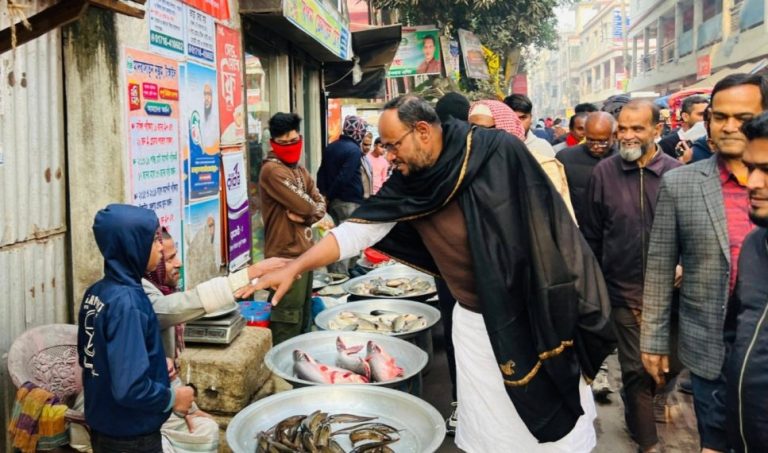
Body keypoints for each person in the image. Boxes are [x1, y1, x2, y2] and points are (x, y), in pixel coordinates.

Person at [255, 95, 614, 452]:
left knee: (554, 429)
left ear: (423, 131)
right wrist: (296, 266)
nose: (388, 155)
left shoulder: (498, 151)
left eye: (394, 145)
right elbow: (358, 231)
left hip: (536, 314)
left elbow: (550, 225)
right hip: (475, 323)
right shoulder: (410, 179)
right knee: (491, 431)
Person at [641, 73, 768, 453]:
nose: (729, 127)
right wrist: (653, 340)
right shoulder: (681, 183)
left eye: (742, 117)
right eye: (719, 116)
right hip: (708, 351)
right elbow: (660, 264)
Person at [582, 100, 682, 453]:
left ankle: (646, 400)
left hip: (672, 297)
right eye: (622, 128)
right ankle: (648, 443)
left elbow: (694, 233)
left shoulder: (677, 174)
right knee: (637, 369)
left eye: (636, 128)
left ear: (657, 130)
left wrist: (684, 263)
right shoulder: (604, 174)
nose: (626, 135)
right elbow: (592, 236)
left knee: (671, 367)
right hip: (622, 293)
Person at [77, 204, 195, 453]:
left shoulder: (97, 292)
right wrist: (173, 398)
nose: (161, 247)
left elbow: (92, 356)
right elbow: (130, 388)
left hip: (104, 426)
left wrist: (153, 362)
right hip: (131, 436)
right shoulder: (128, 304)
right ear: (132, 245)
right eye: (154, 240)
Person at [260, 112, 327, 344]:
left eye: (294, 141)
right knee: (286, 320)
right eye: (284, 143)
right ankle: (282, 376)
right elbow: (306, 204)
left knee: (303, 318)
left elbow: (319, 203)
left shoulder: (299, 170)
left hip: (305, 254)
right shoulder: (272, 170)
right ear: (273, 143)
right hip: (284, 257)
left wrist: (307, 217)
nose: (291, 147)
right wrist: (311, 211)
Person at [722, 112, 768, 452]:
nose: (751, 182)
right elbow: (736, 339)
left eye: (767, 171)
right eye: (750, 167)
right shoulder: (755, 244)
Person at [469, 99, 576, 220]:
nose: (477, 135)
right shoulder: (467, 167)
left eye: (485, 130)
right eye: (473, 128)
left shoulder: (544, 163)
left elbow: (561, 217)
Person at [317, 115, 368, 274]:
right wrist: (329, 194)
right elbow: (344, 177)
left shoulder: (331, 147)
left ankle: (342, 272)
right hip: (349, 201)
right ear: (357, 132)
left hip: (334, 202)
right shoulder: (353, 150)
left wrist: (325, 196)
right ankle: (341, 275)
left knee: (334, 237)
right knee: (348, 239)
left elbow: (321, 173)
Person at [556, 112, 617, 228]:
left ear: (614, 136)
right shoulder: (565, 158)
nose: (595, 146)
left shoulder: (624, 159)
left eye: (602, 141)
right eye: (591, 140)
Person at [504, 94, 558, 158]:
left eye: (522, 118)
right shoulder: (497, 147)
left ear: (531, 118)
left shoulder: (543, 148)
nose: (518, 123)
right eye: (512, 118)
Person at [360, 131, 374, 200]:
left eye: (369, 145)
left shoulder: (366, 159)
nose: (368, 147)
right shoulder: (356, 158)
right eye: (365, 144)